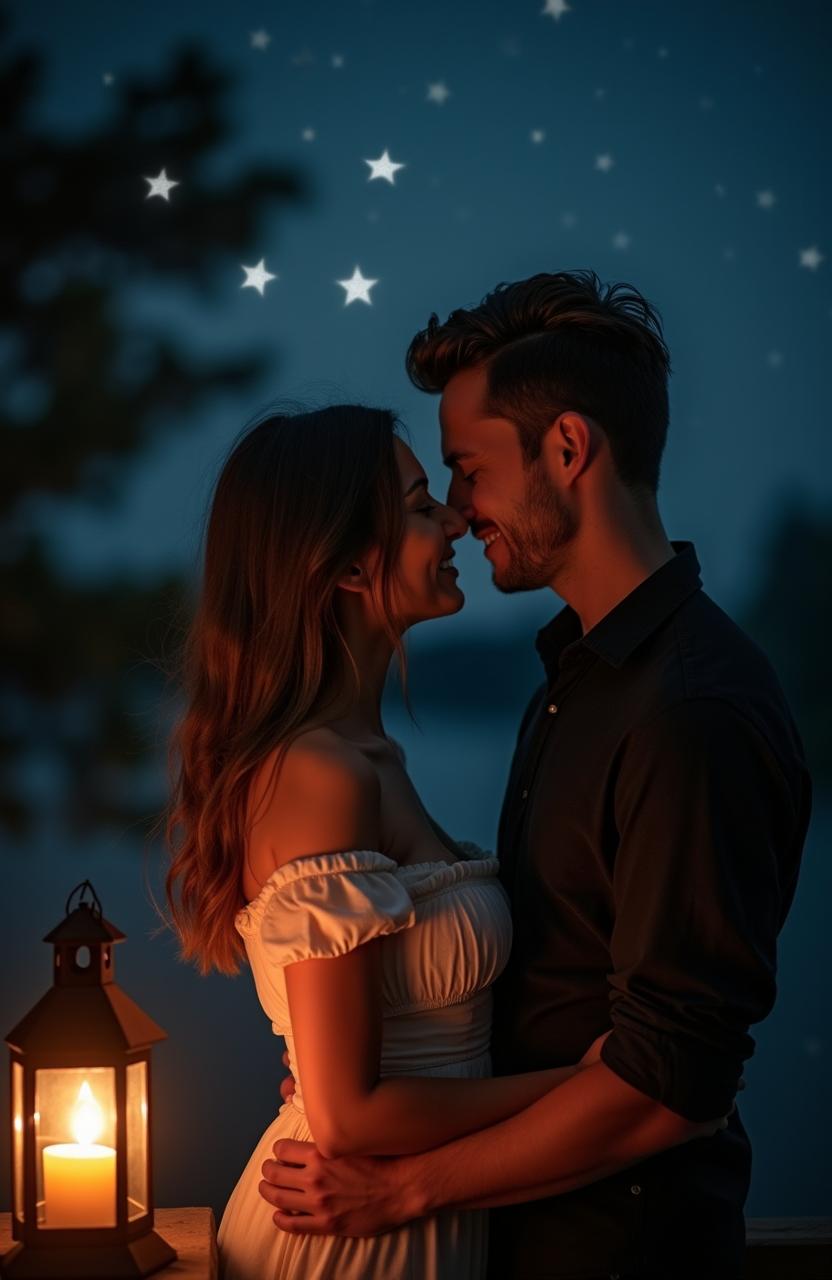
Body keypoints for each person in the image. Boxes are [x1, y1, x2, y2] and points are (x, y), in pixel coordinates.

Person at [258, 272, 812, 1279]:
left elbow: (668, 1083)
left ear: (567, 448)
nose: (460, 513)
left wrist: (404, 1182)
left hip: (618, 1252)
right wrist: (364, 1064)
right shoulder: (575, 677)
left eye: (467, 470)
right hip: (509, 1238)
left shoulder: (689, 710)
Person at [162, 402, 729, 1280]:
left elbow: (365, 1076)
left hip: (413, 1215)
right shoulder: (323, 774)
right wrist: (603, 1089)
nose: (458, 516)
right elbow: (350, 1120)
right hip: (350, 1236)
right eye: (424, 503)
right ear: (350, 562)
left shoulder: (371, 757)